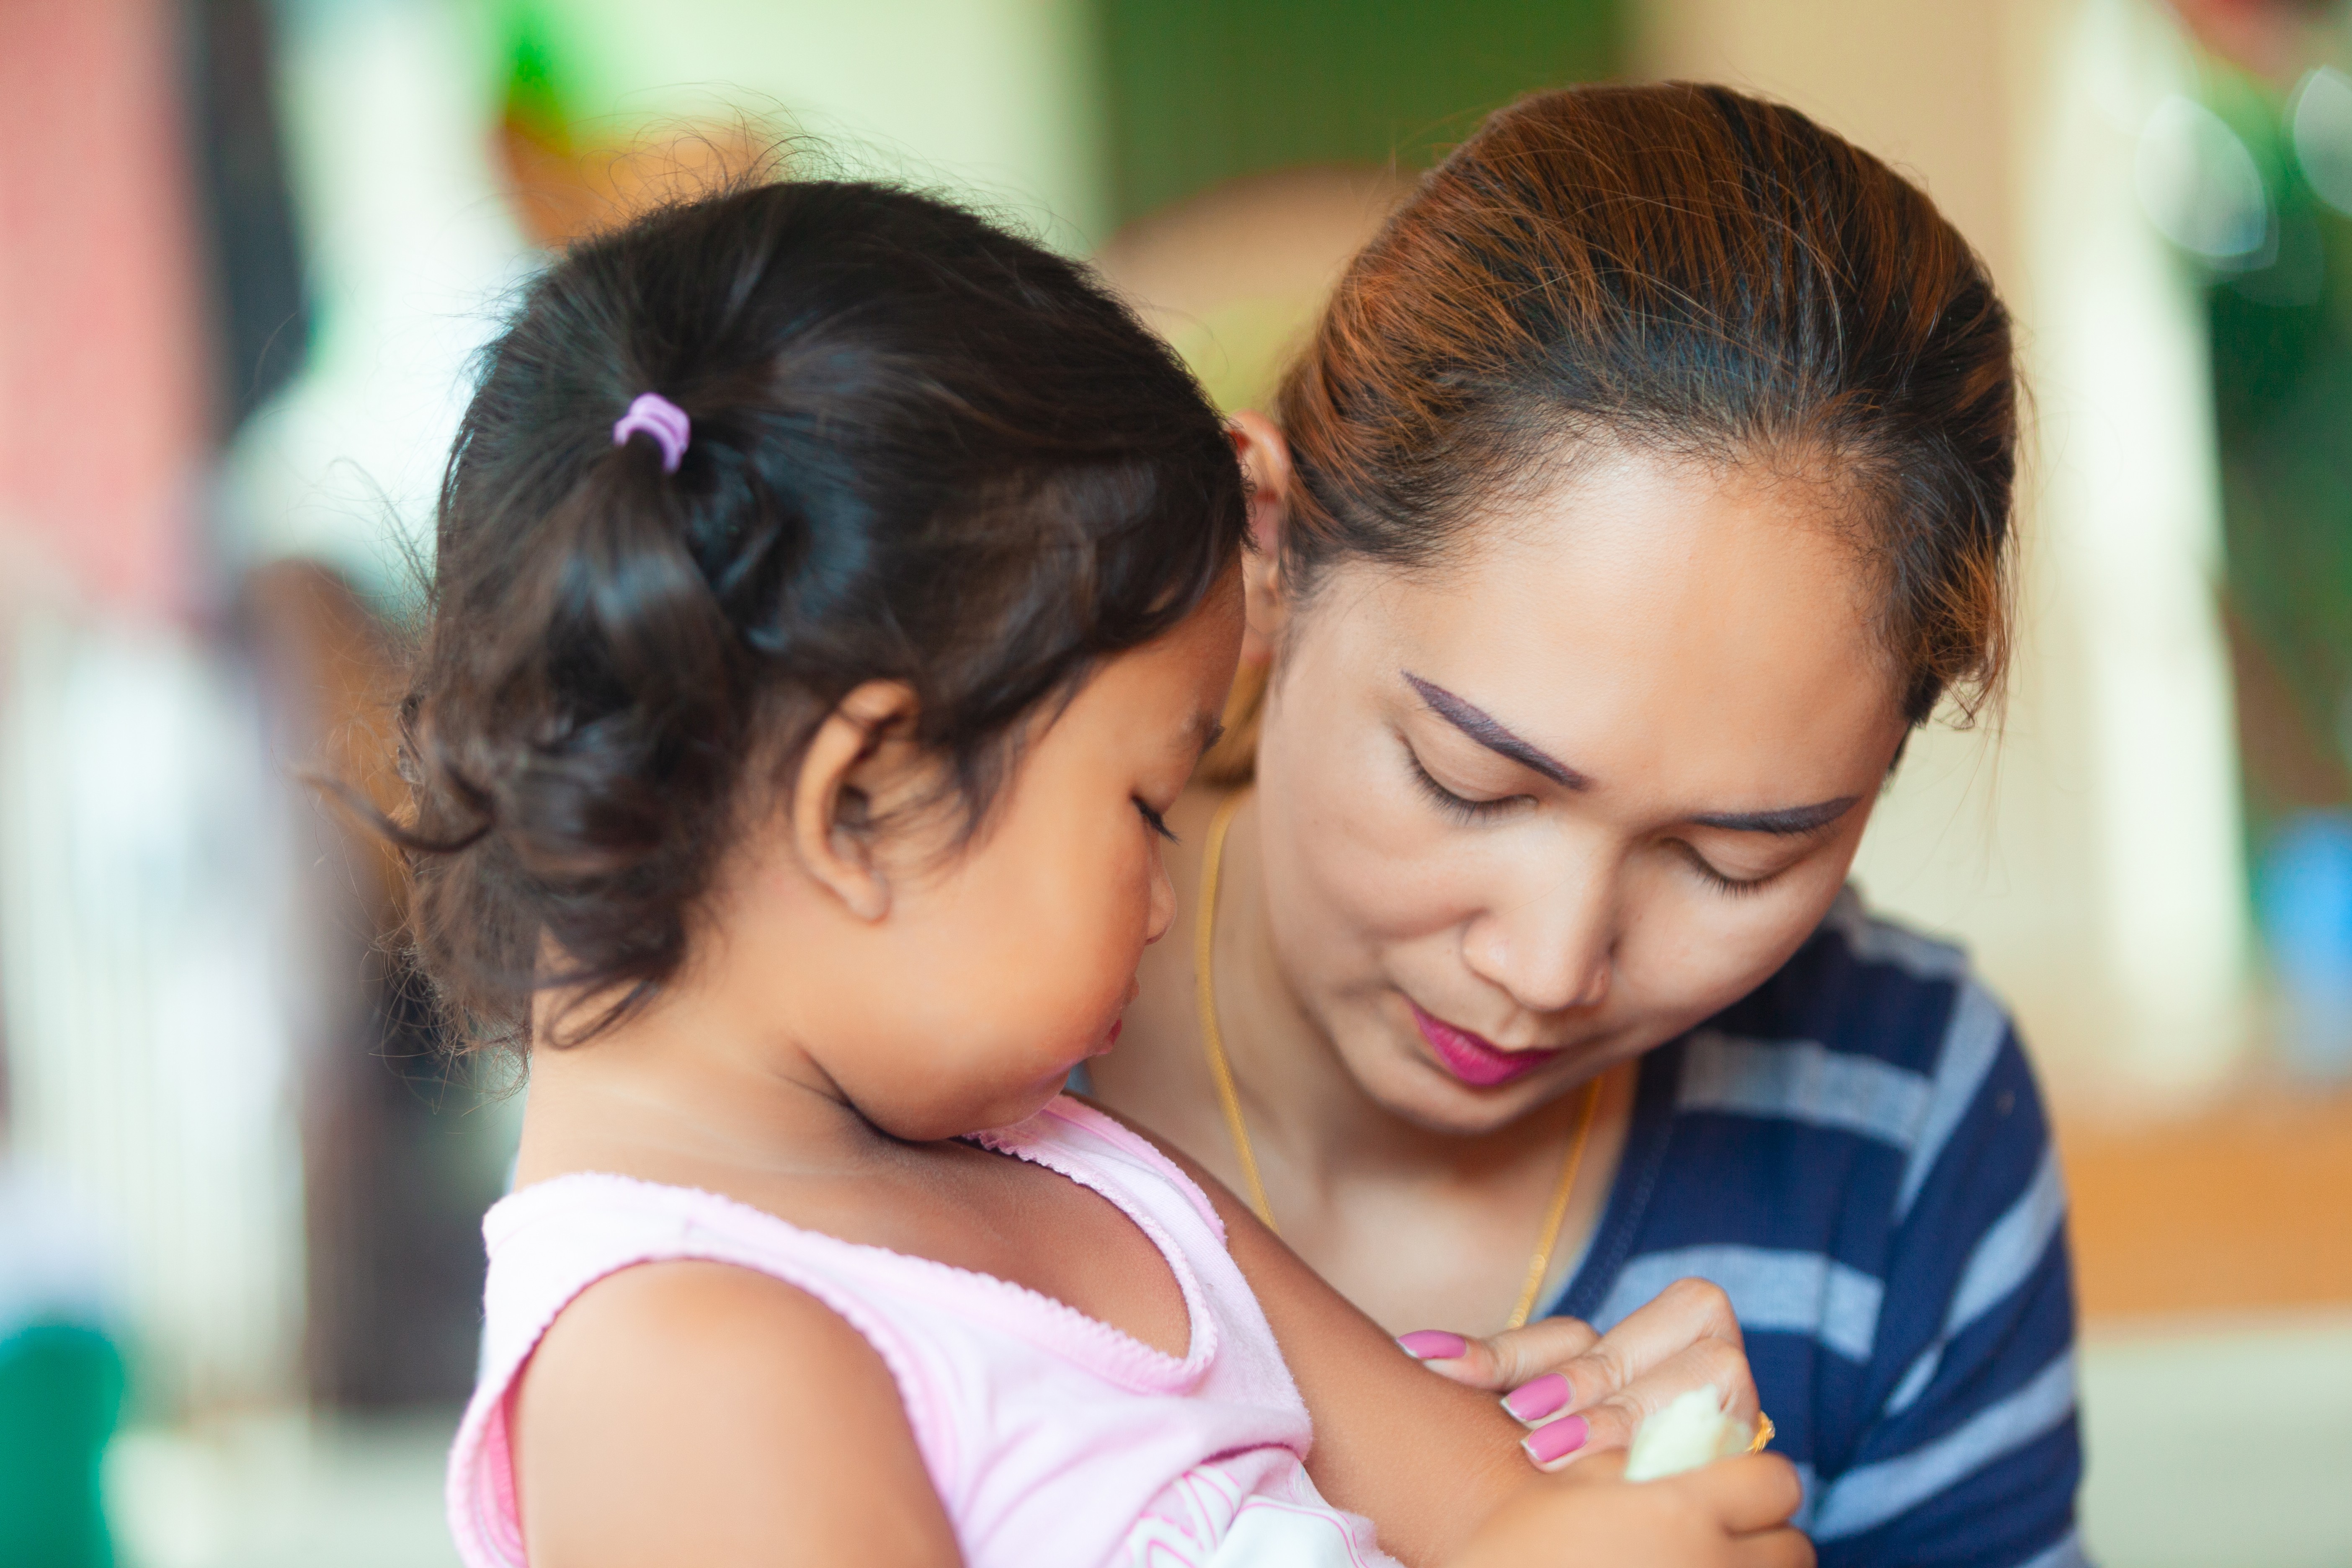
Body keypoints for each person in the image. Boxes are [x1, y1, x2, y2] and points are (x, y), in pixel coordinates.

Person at [397, 178, 1807, 1568]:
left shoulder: (1101, 1188)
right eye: (1146, 804)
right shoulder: (677, 1376)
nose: (1163, 901)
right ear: (866, 799)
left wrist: (1661, 1499)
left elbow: (1501, 1514)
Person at [1089, 83, 2083, 1568]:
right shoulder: (939, 1042)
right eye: (1469, 784)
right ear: (1268, 544)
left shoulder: (1902, 1117)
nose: (1550, 968)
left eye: (1733, 858)